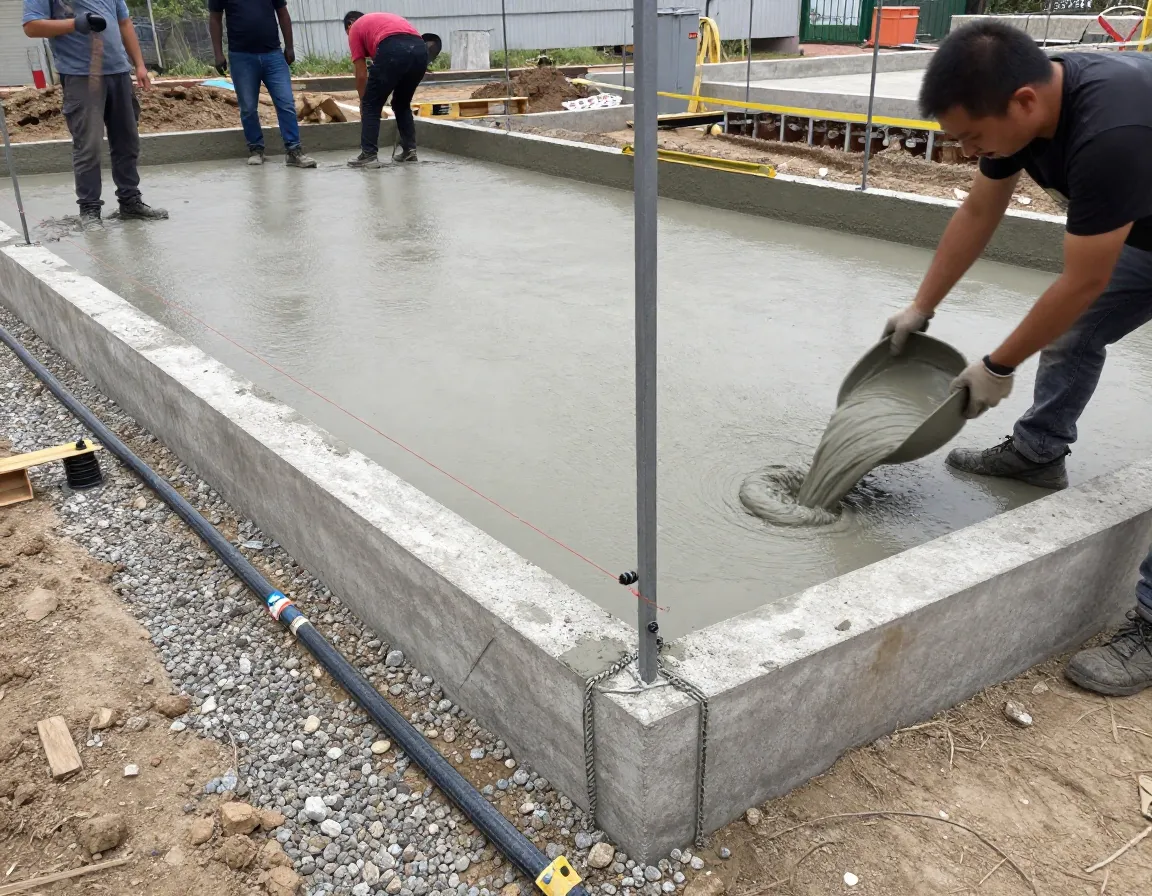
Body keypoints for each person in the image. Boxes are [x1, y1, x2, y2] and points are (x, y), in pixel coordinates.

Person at [884, 20, 1152, 696]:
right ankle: (1039, 453)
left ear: (1023, 103)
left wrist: (997, 366)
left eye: (972, 137)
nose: (971, 150)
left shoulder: (1110, 133)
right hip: (1147, 223)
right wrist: (922, 307)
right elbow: (979, 211)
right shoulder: (1022, 110)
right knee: (1071, 331)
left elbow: (1083, 278)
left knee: (1074, 308)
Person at [22, 0, 168, 230]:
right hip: (81, 75)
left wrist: (139, 64)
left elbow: (124, 22)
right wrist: (74, 24)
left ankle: (130, 201)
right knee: (88, 145)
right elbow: (31, 26)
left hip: (118, 71)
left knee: (127, 142)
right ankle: (90, 209)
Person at [208, 0, 316, 168]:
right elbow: (215, 18)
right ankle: (256, 149)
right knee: (248, 107)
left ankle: (294, 151)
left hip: (273, 55)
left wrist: (289, 47)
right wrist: (218, 54)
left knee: (286, 103)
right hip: (241, 57)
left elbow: (282, 13)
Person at [343, 10, 428, 169]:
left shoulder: (354, 29)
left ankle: (368, 155)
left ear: (349, 25)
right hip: (420, 49)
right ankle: (410, 151)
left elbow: (361, 74)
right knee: (401, 103)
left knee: (370, 103)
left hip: (393, 48)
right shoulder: (377, 23)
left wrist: (363, 102)